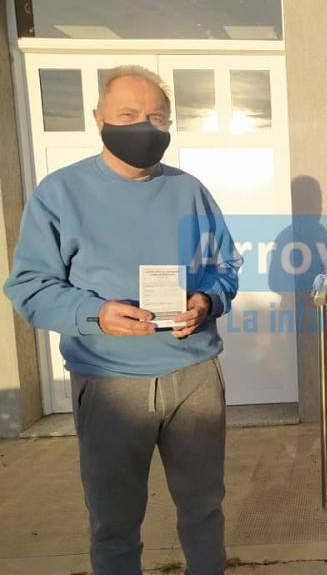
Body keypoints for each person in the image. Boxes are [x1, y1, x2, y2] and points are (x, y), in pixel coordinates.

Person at [4, 65, 242, 575]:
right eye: (128, 114)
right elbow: (29, 287)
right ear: (98, 118)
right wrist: (95, 314)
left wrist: (207, 300)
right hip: (109, 383)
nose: (143, 126)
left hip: (193, 377)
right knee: (114, 522)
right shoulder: (59, 193)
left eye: (156, 117)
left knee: (204, 510)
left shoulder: (190, 190)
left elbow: (226, 266)